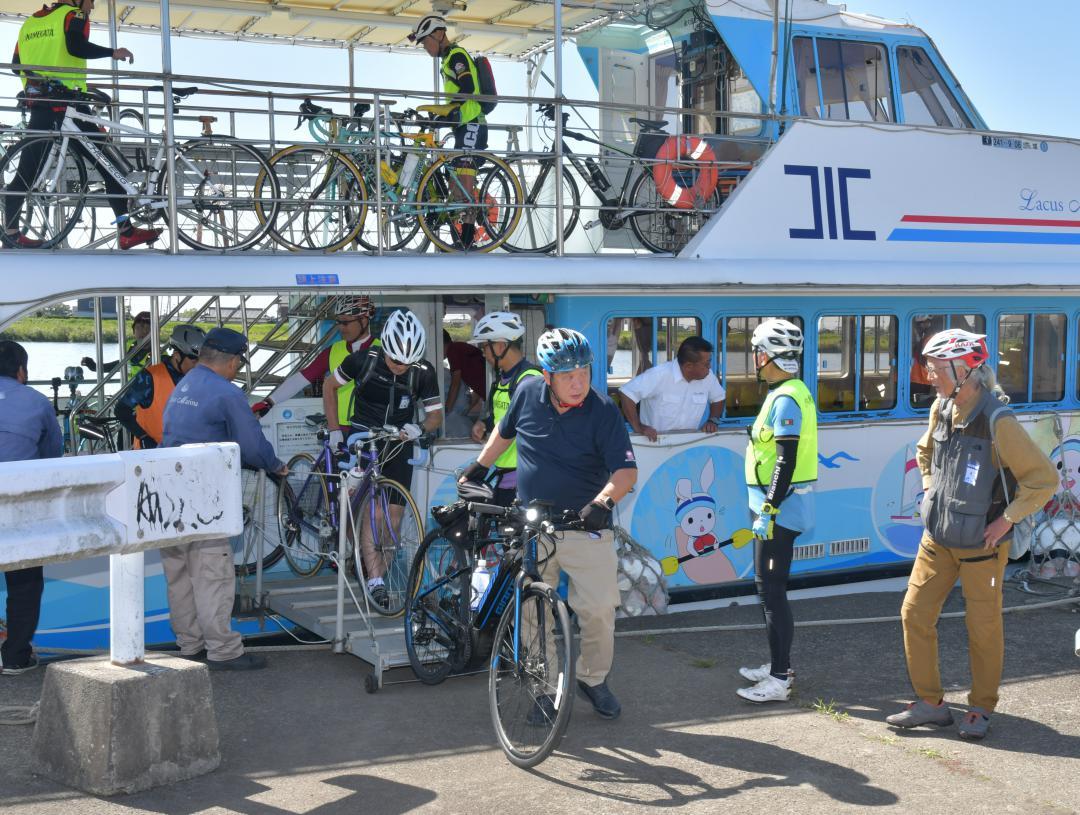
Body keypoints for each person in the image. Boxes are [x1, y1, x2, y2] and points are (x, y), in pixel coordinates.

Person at [886, 329, 1056, 740]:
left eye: (936, 368)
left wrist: (1007, 521)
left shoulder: (999, 420)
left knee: (982, 628)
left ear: (965, 371)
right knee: (914, 614)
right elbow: (925, 451)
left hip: (983, 545)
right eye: (929, 367)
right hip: (938, 538)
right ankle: (931, 703)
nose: (929, 376)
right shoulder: (941, 407)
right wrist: (929, 488)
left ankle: (981, 707)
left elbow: (1043, 479)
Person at [461, 327, 638, 720]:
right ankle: (543, 689)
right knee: (532, 613)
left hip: (585, 525)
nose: (579, 384)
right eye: (568, 376)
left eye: (584, 373)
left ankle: (593, 679)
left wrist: (602, 502)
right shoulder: (526, 394)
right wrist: (477, 468)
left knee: (598, 611)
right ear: (547, 376)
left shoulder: (602, 410)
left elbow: (625, 472)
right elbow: (503, 435)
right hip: (534, 526)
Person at [160, 327, 286, 671]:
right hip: (202, 494)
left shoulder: (183, 384)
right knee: (212, 573)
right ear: (232, 361)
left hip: (167, 493)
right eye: (239, 364)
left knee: (180, 573)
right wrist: (276, 466)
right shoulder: (225, 393)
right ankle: (223, 651)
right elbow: (251, 444)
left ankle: (190, 644)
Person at [5, 0, 160, 250]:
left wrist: (39, 80)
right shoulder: (73, 15)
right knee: (108, 162)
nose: (92, 6)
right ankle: (126, 231)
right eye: (91, 1)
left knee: (27, 171)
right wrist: (113, 52)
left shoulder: (30, 23)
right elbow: (76, 46)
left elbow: (15, 64)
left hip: (40, 103)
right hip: (69, 105)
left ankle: (10, 235)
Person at [322, 309, 443, 608]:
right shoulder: (363, 360)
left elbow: (435, 416)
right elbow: (329, 386)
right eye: (396, 361)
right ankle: (354, 551)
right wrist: (336, 430)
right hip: (363, 437)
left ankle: (375, 579)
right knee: (367, 510)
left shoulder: (422, 372)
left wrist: (420, 428)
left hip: (399, 441)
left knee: (393, 519)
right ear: (385, 349)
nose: (401, 367)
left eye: (408, 362)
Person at [738, 319, 817, 703]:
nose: (754, 358)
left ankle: (780, 678)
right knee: (768, 590)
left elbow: (785, 461)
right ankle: (776, 665)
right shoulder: (784, 391)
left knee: (772, 592)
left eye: (757, 351)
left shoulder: (786, 397)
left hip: (780, 511)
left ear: (767, 356)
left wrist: (769, 507)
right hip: (774, 509)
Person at [0, 341, 63, 675]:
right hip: (19, 505)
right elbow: (53, 454)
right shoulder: (37, 402)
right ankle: (15, 657)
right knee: (24, 581)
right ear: (22, 371)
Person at [409, 15, 487, 249]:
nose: (425, 47)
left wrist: (449, 113)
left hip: (472, 122)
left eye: (425, 42)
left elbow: (468, 89)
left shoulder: (456, 56)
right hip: (463, 124)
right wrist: (441, 116)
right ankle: (459, 240)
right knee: (455, 187)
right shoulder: (447, 60)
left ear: (439, 34)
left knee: (462, 183)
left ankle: (466, 240)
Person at [250, 295, 378, 418]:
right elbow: (301, 379)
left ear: (364, 320)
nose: (340, 327)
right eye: (338, 322)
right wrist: (269, 402)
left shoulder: (384, 351)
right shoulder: (333, 351)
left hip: (374, 429)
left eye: (345, 322)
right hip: (339, 429)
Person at [466, 311, 543, 505]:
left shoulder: (529, 380)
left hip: (525, 480)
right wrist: (484, 423)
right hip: (504, 475)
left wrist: (481, 465)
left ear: (500, 345)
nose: (483, 354)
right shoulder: (501, 381)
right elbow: (503, 418)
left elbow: (519, 426)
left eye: (485, 347)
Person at [114, 325, 204, 449]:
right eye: (194, 361)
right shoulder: (150, 377)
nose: (198, 366)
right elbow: (121, 410)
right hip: (152, 455)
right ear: (177, 356)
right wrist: (143, 437)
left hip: (186, 453)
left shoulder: (199, 378)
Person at [619, 336, 725, 441]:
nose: (710, 367)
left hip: (689, 444)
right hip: (654, 443)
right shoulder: (659, 375)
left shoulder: (708, 377)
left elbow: (718, 397)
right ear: (689, 366)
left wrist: (713, 420)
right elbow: (627, 393)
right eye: (706, 364)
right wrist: (638, 427)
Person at [81, 310, 152, 375]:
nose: (143, 331)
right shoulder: (131, 348)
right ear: (133, 331)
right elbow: (120, 365)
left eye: (147, 328)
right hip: (129, 388)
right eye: (138, 327)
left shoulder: (159, 356)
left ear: (155, 332)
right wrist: (94, 367)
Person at [443, 328, 484, 438]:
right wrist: (469, 408)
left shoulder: (453, 350)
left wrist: (447, 410)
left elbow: (455, 383)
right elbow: (478, 389)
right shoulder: (461, 348)